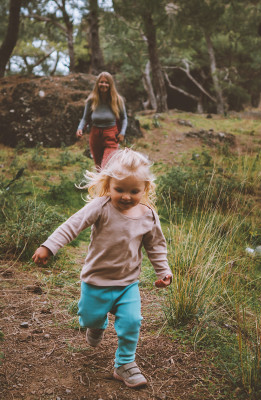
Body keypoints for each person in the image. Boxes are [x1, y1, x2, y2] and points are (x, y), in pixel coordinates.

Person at [32, 148, 172, 389]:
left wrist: (163, 271)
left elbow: (156, 246)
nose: (126, 196)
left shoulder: (148, 215)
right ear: (108, 185)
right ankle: (97, 325)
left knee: (132, 321)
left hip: (127, 284)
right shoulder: (101, 206)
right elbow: (72, 226)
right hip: (95, 282)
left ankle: (124, 364)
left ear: (146, 188)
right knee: (89, 316)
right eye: (120, 189)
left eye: (134, 191)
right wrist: (49, 246)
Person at [76, 72, 128, 169]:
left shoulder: (117, 100)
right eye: (101, 82)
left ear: (110, 85)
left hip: (111, 135)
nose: (104, 84)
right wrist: (80, 128)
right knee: (99, 168)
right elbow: (85, 118)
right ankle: (104, 184)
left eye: (106, 82)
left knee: (106, 166)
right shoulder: (92, 100)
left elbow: (124, 118)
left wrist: (122, 133)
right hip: (95, 136)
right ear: (97, 84)